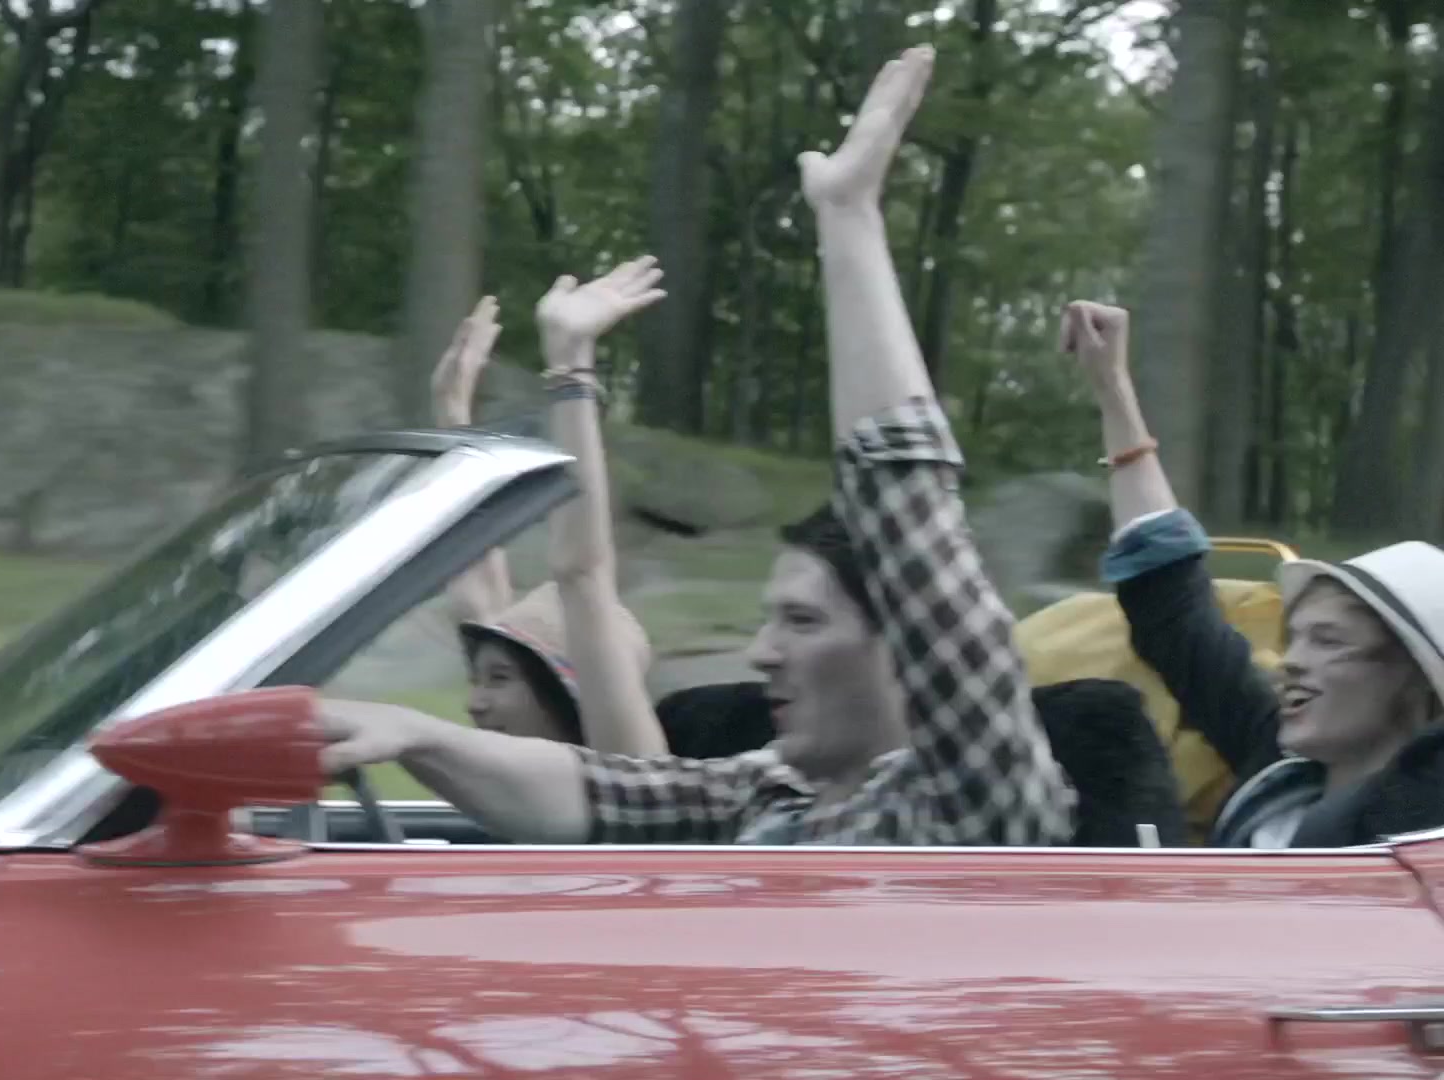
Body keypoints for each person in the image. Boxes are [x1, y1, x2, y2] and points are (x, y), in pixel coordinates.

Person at [316, 46, 1077, 848]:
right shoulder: (765, 791)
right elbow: (600, 793)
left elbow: (911, 528)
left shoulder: (973, 809)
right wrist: (417, 734)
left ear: (908, 646)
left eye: (802, 622)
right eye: (772, 620)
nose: (762, 653)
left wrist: (848, 218)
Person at [1063, 297, 1444, 847]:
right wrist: (1112, 385)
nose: (1291, 661)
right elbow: (1171, 607)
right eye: (1297, 638)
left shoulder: (1427, 818)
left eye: (1329, 640)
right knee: (1094, 715)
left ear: (1415, 677)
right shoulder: (1273, 756)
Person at [429, 280, 665, 755]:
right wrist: (452, 413)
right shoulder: (510, 780)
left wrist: (571, 371)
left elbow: (581, 569)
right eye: (479, 678)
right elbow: (476, 593)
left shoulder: (630, 776)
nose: (473, 704)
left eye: (499, 678)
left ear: (574, 690)